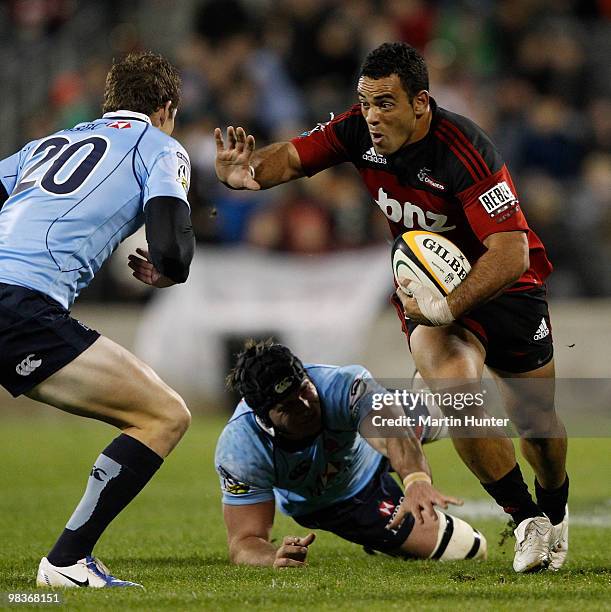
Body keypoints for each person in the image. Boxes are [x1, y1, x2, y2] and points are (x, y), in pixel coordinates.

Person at [214, 42, 569, 573]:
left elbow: (511, 251)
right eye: (365, 101)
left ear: (420, 102)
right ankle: (526, 521)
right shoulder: (357, 130)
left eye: (385, 103)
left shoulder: (465, 149)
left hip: (503, 289)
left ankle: (554, 510)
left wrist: (453, 304)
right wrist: (244, 174)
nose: (372, 116)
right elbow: (289, 157)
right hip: (429, 295)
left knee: (537, 426)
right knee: (455, 390)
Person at [0, 51, 196, 588]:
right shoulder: (159, 146)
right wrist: (166, 270)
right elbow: (173, 250)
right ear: (166, 109)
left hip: (12, 296)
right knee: (164, 416)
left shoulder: (46, 144)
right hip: (22, 306)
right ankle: (66, 562)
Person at [215, 339, 487, 566]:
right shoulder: (240, 449)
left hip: (371, 439)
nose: (305, 406)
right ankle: (387, 541)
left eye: (304, 390)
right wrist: (274, 556)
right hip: (341, 499)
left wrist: (416, 480)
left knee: (452, 406)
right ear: (265, 419)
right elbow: (244, 542)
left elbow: (393, 433)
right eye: (288, 407)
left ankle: (422, 388)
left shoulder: (344, 384)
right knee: (469, 549)